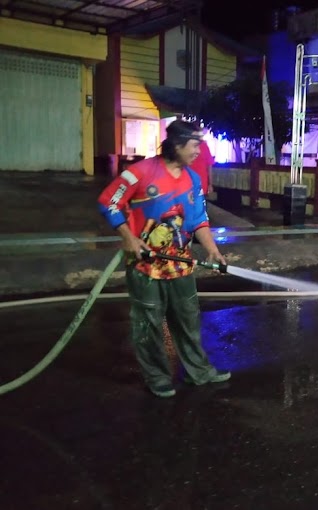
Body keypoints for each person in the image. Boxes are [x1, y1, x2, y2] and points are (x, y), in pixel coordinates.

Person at [98, 120, 230, 398]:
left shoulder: (193, 179)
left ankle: (199, 371)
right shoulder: (139, 173)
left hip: (181, 265)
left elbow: (198, 220)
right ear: (177, 144)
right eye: (194, 145)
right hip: (145, 267)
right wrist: (128, 236)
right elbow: (109, 201)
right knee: (148, 324)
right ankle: (157, 377)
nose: (198, 151)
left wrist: (212, 249)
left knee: (188, 320)